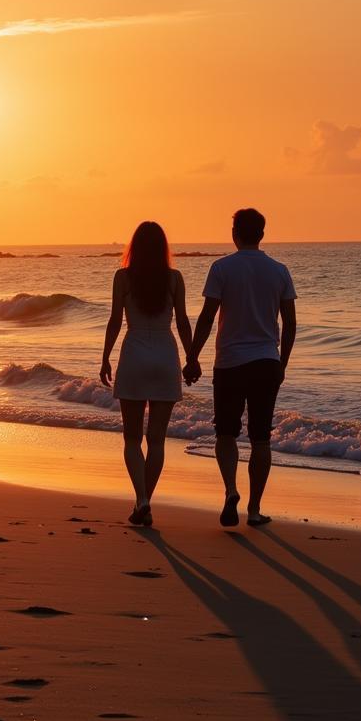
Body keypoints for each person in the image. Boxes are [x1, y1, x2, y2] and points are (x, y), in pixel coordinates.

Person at [184, 208, 296, 528]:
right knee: (261, 437)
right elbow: (289, 323)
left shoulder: (222, 268)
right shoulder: (279, 271)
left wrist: (193, 356)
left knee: (225, 432)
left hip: (230, 362)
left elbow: (207, 317)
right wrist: (282, 363)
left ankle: (231, 490)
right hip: (265, 361)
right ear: (262, 234)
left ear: (235, 234)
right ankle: (255, 509)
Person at [100, 221, 194, 526]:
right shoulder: (175, 279)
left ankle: (141, 500)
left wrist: (105, 358)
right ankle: (145, 501)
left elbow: (115, 320)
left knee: (131, 438)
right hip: (166, 355)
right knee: (157, 441)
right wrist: (191, 358)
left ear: (134, 247)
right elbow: (182, 322)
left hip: (134, 353)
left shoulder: (123, 277)